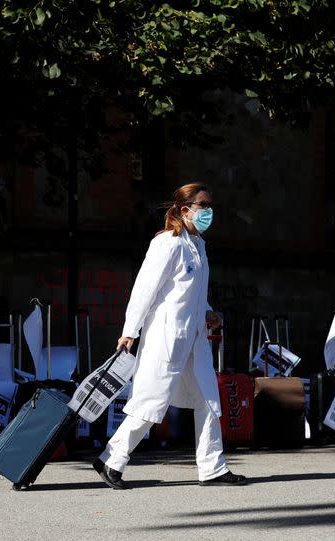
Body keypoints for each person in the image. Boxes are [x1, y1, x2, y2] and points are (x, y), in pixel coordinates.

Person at [93, 183, 246, 489]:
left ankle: (212, 467)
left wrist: (208, 313)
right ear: (185, 209)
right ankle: (112, 459)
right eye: (203, 205)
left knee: (208, 399)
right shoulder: (168, 243)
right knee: (151, 402)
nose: (208, 211)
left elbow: (193, 295)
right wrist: (129, 331)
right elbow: (144, 289)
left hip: (194, 338)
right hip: (166, 338)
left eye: (210, 205)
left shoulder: (198, 245)